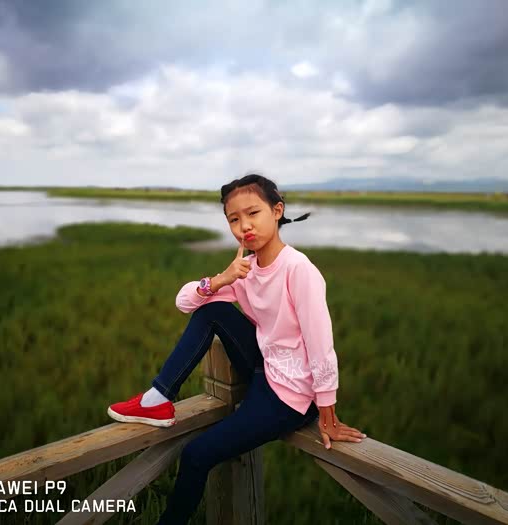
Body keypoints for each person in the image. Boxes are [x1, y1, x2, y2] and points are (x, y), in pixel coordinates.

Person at [107, 173, 367, 524]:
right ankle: (159, 398)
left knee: (196, 455)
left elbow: (321, 345)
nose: (244, 226)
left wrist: (327, 413)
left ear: (277, 211)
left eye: (253, 213)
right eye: (234, 219)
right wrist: (222, 279)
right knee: (212, 311)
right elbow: (185, 303)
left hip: (290, 397)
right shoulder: (245, 271)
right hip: (264, 368)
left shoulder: (298, 269)